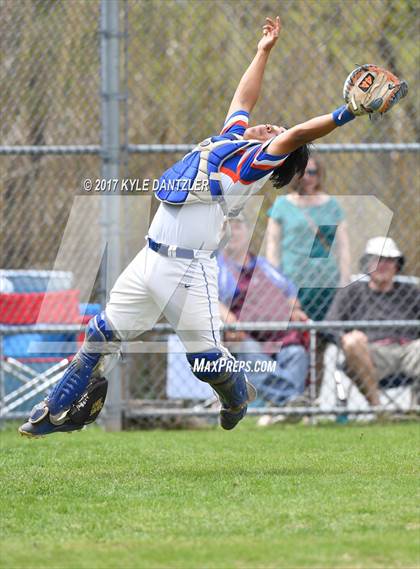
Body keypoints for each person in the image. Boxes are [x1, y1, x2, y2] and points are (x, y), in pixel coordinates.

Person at [19, 16, 378, 437]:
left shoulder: (250, 164)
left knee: (204, 360)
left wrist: (346, 112)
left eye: (275, 134)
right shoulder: (230, 142)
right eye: (269, 127)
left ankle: (237, 393)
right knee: (101, 331)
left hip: (188, 272)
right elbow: (243, 98)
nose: (269, 127)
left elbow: (298, 133)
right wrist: (262, 51)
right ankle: (52, 412)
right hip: (149, 259)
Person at [218, 215, 309, 407]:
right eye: (227, 228)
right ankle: (291, 402)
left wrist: (295, 309)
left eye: (237, 227)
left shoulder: (264, 265)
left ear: (248, 232)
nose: (232, 233)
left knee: (297, 354)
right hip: (246, 336)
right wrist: (229, 321)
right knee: (247, 351)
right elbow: (210, 300)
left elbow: (289, 291)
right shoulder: (217, 267)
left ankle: (281, 409)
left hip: (279, 334)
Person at [325, 237, 420, 406]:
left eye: (389, 260)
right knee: (353, 342)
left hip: (409, 350)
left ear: (396, 266)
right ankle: (377, 409)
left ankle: (416, 410)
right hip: (372, 354)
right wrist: (346, 339)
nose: (382, 265)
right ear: (367, 264)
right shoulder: (352, 292)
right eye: (377, 260)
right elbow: (329, 325)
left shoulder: (411, 292)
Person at [265, 155, 350, 321]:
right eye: (302, 172)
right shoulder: (282, 205)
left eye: (312, 172)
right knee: (298, 331)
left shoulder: (332, 206)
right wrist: (276, 282)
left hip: (326, 282)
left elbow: (343, 246)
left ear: (319, 175)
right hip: (293, 280)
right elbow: (272, 247)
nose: (307, 177)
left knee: (327, 332)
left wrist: (345, 278)